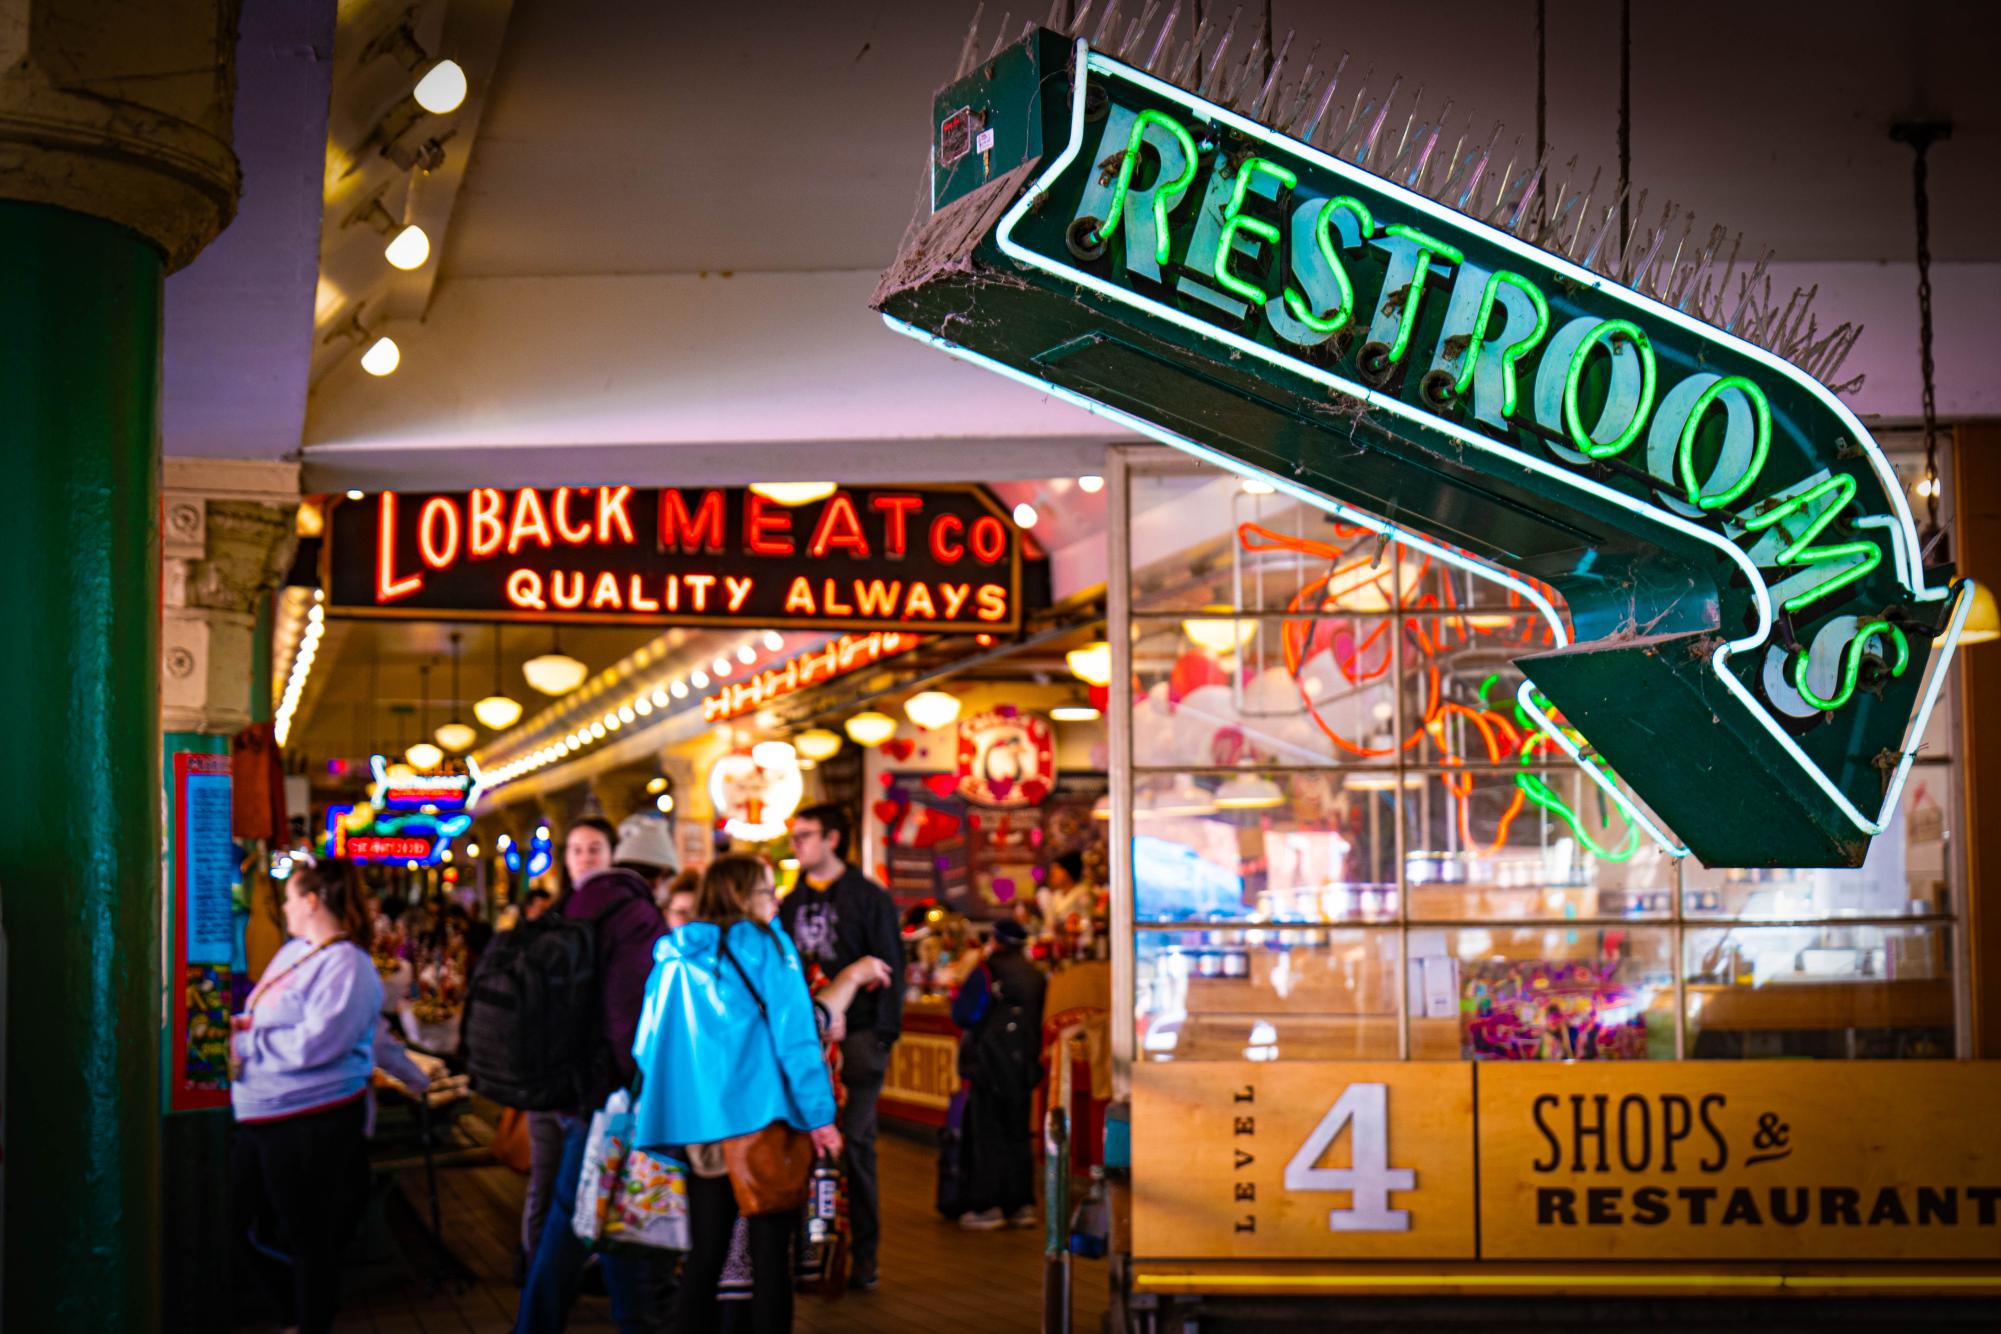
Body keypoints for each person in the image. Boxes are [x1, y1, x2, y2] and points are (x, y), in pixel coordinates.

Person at [632, 854, 842, 1333]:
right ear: (744, 895)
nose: (775, 902)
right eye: (768, 891)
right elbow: (796, 1039)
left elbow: (646, 1045)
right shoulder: (769, 946)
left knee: (705, 1253)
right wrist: (820, 1116)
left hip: (699, 1128)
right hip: (762, 1120)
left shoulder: (674, 955)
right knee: (771, 1259)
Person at [514, 839, 670, 1333]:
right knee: (584, 1211)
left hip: (569, 1080)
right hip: (609, 1092)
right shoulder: (637, 915)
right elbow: (629, 1013)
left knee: (594, 1206)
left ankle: (627, 1317)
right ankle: (616, 1320)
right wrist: (640, 1083)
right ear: (660, 876)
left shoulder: (575, 903)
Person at [229, 857, 385, 1334]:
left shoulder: (348, 965)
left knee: (306, 1235)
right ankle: (299, 1312)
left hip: (307, 1122)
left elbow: (319, 1042)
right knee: (244, 1228)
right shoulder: (295, 951)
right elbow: (267, 1016)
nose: (285, 907)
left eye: (291, 897)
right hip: (263, 1116)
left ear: (312, 901)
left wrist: (245, 1045)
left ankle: (309, 1321)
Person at [776, 803, 902, 1290]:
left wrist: (881, 1038)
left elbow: (892, 969)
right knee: (805, 1147)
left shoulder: (869, 898)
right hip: (806, 1044)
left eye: (805, 835)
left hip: (862, 1039)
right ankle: (811, 1251)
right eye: (794, 836)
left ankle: (862, 1257)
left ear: (832, 838)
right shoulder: (792, 901)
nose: (797, 844)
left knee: (855, 1145)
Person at [520, 816, 619, 1274]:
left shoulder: (624, 915)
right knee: (548, 1177)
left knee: (589, 1176)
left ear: (613, 855)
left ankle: (570, 1270)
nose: (585, 858)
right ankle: (537, 1263)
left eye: (595, 848)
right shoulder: (555, 917)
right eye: (577, 849)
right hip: (554, 1069)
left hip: (595, 1072)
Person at [951, 919, 1047, 1230]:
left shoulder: (986, 972)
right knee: (1018, 1134)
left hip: (988, 1064)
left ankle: (986, 1206)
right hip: (1023, 1064)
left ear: (996, 940)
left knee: (986, 1133)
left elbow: (964, 1014)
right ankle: (1021, 1204)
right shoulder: (1036, 975)